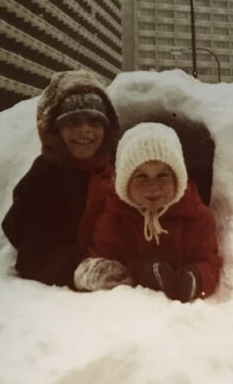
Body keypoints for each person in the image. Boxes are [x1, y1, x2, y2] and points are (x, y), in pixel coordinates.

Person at [73, 122, 222, 301]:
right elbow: (102, 258)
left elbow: (209, 262)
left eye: (163, 175)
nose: (153, 187)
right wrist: (137, 273)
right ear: (125, 183)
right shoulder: (114, 216)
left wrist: (197, 277)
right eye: (141, 176)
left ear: (178, 179)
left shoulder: (196, 216)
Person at [2, 69, 120, 288]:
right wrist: (78, 267)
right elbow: (32, 251)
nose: (84, 131)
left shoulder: (113, 171)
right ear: (55, 130)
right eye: (72, 123)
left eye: (94, 122)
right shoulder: (44, 178)